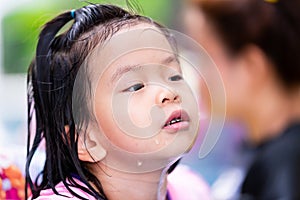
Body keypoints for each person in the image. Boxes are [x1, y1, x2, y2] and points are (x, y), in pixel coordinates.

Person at [25, 3, 211, 200]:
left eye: (174, 76)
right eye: (136, 86)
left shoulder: (192, 189)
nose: (169, 92)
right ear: (87, 141)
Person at [184, 0, 300, 199]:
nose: (198, 75)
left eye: (206, 56)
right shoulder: (267, 159)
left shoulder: (282, 169)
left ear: (252, 65)